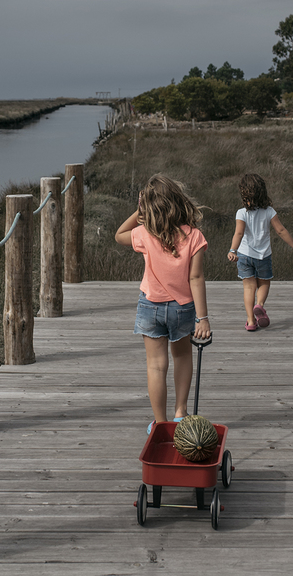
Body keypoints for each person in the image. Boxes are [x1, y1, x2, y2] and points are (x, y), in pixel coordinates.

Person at [115, 174, 211, 432]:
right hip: (182, 308)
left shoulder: (145, 233)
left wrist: (138, 212)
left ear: (149, 207)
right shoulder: (194, 237)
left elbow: (119, 234)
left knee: (156, 366)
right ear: (178, 201)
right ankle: (180, 412)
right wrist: (203, 318)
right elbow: (196, 277)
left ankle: (160, 423)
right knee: (181, 358)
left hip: (150, 307)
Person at [227, 173, 293, 331]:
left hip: (244, 255)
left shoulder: (241, 213)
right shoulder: (269, 211)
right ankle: (260, 305)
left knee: (249, 287)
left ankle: (250, 321)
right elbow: (281, 230)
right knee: (263, 283)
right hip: (263, 256)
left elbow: (239, 234)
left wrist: (232, 250)